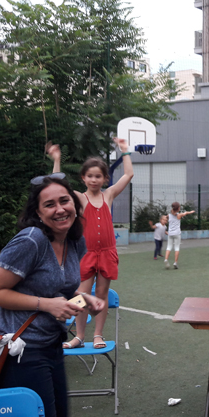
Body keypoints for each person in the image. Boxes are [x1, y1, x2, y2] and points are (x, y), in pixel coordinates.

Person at [0, 174, 105, 417]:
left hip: (52, 344)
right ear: (38, 213)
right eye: (50, 204)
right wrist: (46, 305)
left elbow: (60, 291)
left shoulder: (74, 241)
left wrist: (86, 299)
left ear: (75, 204)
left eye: (65, 201)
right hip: (21, 350)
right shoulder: (31, 240)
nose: (60, 209)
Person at [47, 140, 133, 352]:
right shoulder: (79, 197)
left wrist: (125, 151)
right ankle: (79, 336)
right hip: (85, 254)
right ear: (83, 178)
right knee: (81, 297)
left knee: (101, 295)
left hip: (107, 253)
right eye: (90, 176)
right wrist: (57, 160)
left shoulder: (108, 195)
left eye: (98, 176)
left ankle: (97, 335)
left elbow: (128, 175)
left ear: (105, 178)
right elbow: (57, 185)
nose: (94, 180)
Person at [163, 202, 196, 269]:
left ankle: (166, 259)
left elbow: (165, 218)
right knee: (177, 248)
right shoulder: (179, 215)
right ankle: (175, 262)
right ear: (178, 208)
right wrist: (191, 212)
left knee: (169, 247)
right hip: (177, 234)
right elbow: (186, 213)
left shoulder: (169, 215)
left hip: (170, 233)